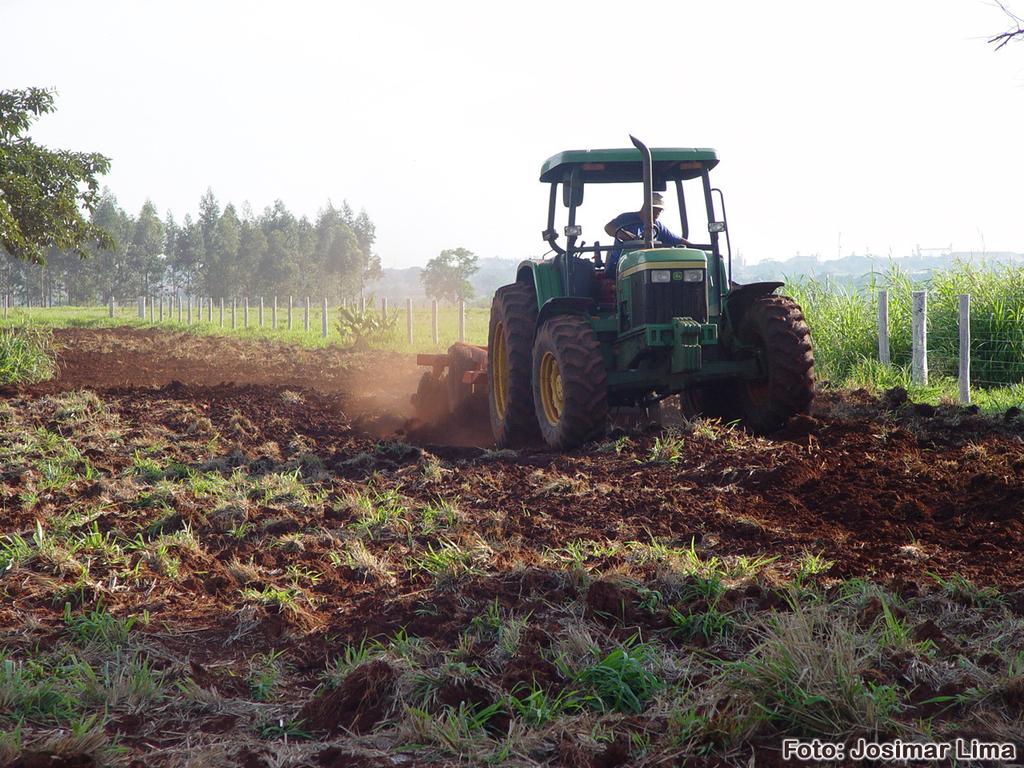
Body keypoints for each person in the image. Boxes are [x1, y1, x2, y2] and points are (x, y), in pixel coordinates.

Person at [603, 191, 693, 277]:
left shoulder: (658, 226)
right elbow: (608, 228)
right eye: (655, 209)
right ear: (645, 207)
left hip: (648, 265)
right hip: (619, 265)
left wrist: (696, 247)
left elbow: (678, 240)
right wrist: (625, 235)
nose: (657, 213)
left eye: (660, 211)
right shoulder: (626, 218)